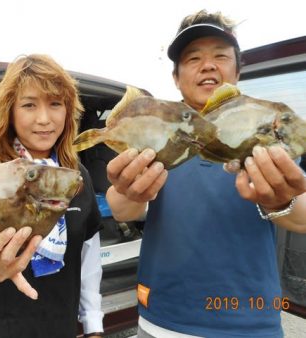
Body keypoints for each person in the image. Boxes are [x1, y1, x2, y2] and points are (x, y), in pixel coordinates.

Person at [106, 10, 306, 338]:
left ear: (238, 70)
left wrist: (280, 200)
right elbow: (122, 207)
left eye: (221, 56)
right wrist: (128, 190)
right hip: (161, 320)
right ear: (176, 77)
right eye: (193, 57)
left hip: (249, 324)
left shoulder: (262, 130)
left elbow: (302, 218)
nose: (208, 65)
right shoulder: (160, 130)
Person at [0, 54, 104, 338]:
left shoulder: (77, 177)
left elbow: (88, 257)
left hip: (58, 328)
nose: (44, 119)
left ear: (68, 110)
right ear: (10, 112)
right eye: (29, 105)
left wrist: (93, 326)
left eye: (55, 104)